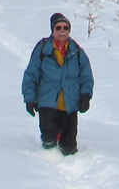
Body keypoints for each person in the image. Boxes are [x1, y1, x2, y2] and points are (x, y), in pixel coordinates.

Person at [21, 12, 93, 155]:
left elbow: (86, 76)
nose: (62, 31)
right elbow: (31, 74)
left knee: (69, 149)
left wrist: (86, 95)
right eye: (58, 28)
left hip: (70, 104)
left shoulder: (77, 51)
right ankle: (48, 169)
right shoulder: (43, 49)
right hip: (47, 102)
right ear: (52, 30)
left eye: (65, 28)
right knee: (49, 142)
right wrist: (29, 99)